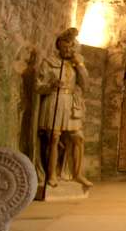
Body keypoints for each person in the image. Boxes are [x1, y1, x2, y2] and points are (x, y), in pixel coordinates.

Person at [36, 28, 93, 187]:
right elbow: (38, 86)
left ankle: (77, 174)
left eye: (71, 47)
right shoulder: (49, 63)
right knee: (54, 138)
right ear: (59, 47)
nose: (68, 50)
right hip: (54, 100)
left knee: (78, 138)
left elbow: (85, 84)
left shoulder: (76, 63)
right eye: (65, 47)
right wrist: (50, 85)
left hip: (70, 102)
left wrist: (79, 64)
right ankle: (52, 174)